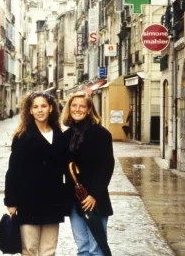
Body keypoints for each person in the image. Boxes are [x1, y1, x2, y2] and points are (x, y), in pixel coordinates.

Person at [4, 91, 67, 256]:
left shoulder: (59, 136)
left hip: (53, 201)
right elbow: (13, 172)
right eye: (36, 107)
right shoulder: (22, 137)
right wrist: (10, 202)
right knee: (29, 249)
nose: (40, 110)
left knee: (49, 250)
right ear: (30, 110)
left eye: (44, 106)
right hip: (29, 201)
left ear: (51, 108)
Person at [62, 91, 114, 256]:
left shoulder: (101, 134)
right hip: (74, 200)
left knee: (96, 249)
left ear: (89, 109)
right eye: (74, 105)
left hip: (94, 200)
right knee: (82, 248)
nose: (77, 109)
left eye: (82, 106)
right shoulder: (66, 136)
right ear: (69, 108)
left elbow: (106, 167)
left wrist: (94, 195)